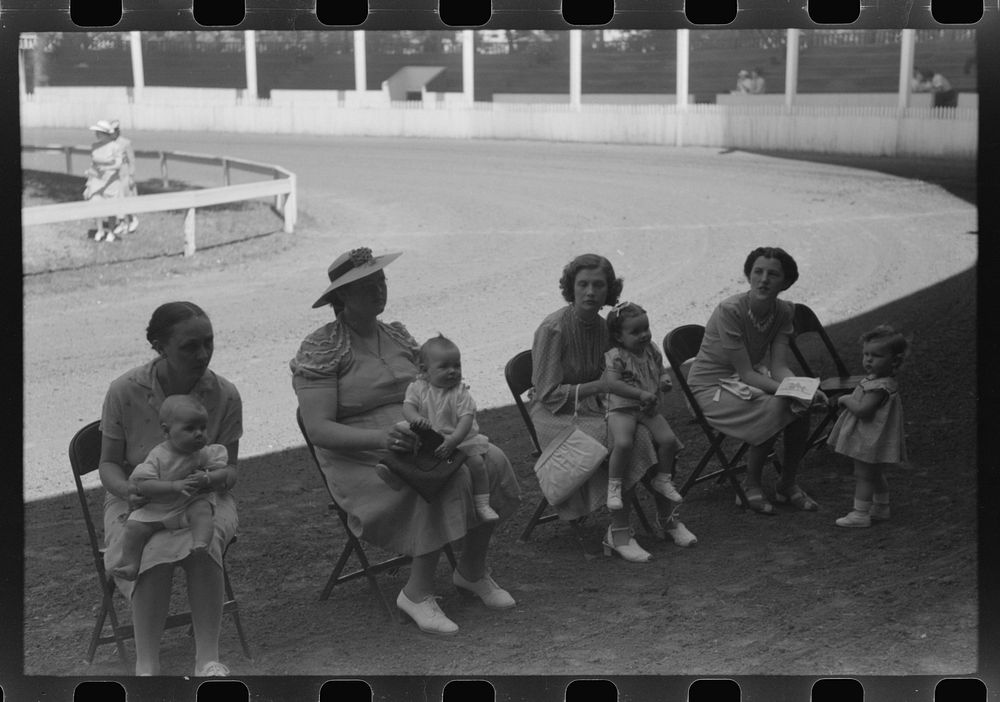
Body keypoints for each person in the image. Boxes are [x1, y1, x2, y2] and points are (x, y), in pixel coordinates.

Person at [291, 247, 521, 636]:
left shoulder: (396, 334)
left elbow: (430, 387)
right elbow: (319, 430)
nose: (378, 290)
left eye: (381, 281)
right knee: (444, 477)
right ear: (341, 297)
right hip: (362, 456)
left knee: (489, 458)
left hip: (420, 436)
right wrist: (383, 437)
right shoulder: (322, 347)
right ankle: (417, 592)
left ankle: (471, 570)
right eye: (366, 285)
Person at [99, 301, 240, 676]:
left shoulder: (225, 394)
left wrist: (210, 480)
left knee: (203, 538)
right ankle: (148, 664)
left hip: (204, 495)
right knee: (152, 545)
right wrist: (128, 490)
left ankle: (206, 658)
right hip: (139, 495)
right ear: (160, 346)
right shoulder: (125, 391)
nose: (203, 354)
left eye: (209, 342)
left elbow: (230, 471)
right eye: (189, 346)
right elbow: (108, 463)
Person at [530, 253, 697, 563]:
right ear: (571, 287)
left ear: (610, 290)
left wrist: (648, 385)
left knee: (651, 435)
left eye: (599, 285)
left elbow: (633, 363)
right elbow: (547, 392)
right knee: (619, 439)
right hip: (556, 412)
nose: (591, 292)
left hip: (605, 402)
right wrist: (602, 387)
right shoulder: (553, 328)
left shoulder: (610, 327)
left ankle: (668, 518)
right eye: (583, 284)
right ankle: (619, 532)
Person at [686, 247, 827, 516]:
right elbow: (747, 373)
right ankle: (750, 486)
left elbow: (779, 366)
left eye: (772, 274)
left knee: (799, 407)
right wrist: (796, 392)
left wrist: (805, 390)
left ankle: (786, 483)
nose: (763, 279)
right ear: (748, 275)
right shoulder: (730, 310)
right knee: (775, 406)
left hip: (746, 382)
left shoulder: (785, 311)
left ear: (785, 282)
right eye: (757, 272)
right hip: (709, 388)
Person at [112, 395, 229, 582]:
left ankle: (201, 543)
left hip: (189, 505)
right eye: (190, 428)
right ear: (167, 431)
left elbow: (223, 474)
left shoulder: (204, 452)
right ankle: (131, 564)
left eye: (203, 427)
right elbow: (143, 484)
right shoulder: (158, 456)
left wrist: (207, 478)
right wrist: (173, 486)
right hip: (158, 511)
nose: (199, 434)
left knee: (202, 511)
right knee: (134, 527)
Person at [391, 334, 498, 522]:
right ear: (425, 370)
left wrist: (453, 440)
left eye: (457, 365)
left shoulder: (460, 392)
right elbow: (408, 407)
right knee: (403, 432)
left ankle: (482, 503)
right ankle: (392, 471)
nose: (452, 371)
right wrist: (416, 419)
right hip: (429, 436)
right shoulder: (418, 388)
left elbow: (466, 419)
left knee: (477, 464)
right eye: (444, 367)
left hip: (459, 439)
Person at [602, 302, 684, 515]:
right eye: (635, 332)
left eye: (646, 328)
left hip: (647, 407)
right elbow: (613, 384)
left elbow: (659, 370)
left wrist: (665, 380)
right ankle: (614, 486)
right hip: (622, 408)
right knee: (623, 442)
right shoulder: (616, 356)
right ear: (619, 337)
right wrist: (639, 393)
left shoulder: (651, 350)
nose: (644, 335)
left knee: (668, 440)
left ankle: (662, 479)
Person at [827, 326, 909, 528]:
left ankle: (860, 513)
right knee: (874, 473)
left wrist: (846, 399)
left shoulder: (879, 387)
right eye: (866, 354)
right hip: (873, 437)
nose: (869, 360)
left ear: (894, 360)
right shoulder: (879, 381)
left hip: (869, 438)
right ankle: (881, 507)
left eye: (877, 355)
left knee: (864, 475)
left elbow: (864, 411)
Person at [83, 119, 128, 242]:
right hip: (97, 180)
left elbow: (118, 164)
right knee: (95, 204)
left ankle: (111, 231)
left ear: (105, 133)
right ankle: (100, 230)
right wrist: (89, 177)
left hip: (111, 180)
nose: (96, 134)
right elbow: (93, 164)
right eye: (96, 132)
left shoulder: (115, 147)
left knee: (111, 207)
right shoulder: (94, 146)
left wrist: (107, 167)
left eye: (98, 132)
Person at [110, 119, 139, 233]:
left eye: (114, 132)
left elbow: (131, 160)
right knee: (117, 197)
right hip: (115, 174)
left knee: (127, 197)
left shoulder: (126, 143)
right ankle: (121, 222)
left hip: (125, 173)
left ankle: (132, 219)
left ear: (118, 131)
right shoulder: (109, 144)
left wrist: (131, 176)